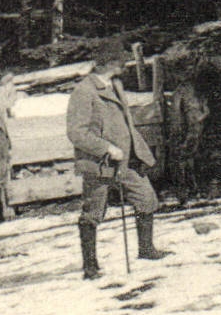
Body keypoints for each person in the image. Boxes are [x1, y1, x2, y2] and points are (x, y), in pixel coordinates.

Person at [66, 40, 167, 280]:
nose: (123, 64)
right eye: (119, 60)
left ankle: (146, 249)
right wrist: (106, 148)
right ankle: (90, 266)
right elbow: (76, 132)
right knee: (93, 212)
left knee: (146, 198)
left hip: (126, 162)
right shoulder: (84, 91)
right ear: (109, 63)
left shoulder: (115, 85)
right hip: (99, 164)